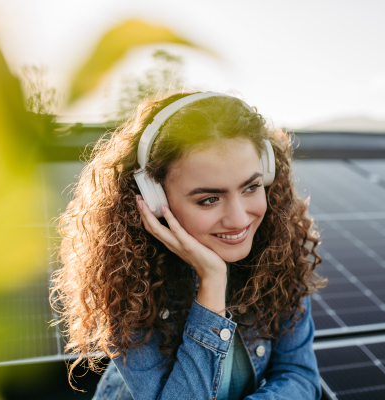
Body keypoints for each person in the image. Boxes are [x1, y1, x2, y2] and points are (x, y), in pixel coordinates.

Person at [51, 91, 326, 400]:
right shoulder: (127, 281)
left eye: (251, 187)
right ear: (154, 199)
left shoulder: (280, 254)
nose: (238, 219)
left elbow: (299, 376)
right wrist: (212, 283)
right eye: (209, 199)